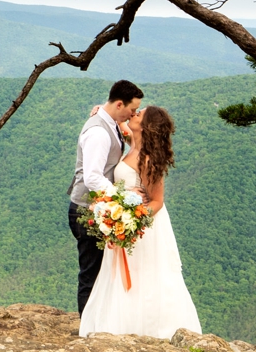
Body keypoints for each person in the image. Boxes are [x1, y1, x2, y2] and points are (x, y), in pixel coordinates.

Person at [78, 105, 203, 338]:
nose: (134, 113)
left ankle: (148, 329)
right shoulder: (133, 141)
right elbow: (120, 121)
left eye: (140, 113)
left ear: (147, 127)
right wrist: (101, 109)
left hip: (143, 227)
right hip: (125, 220)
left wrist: (131, 221)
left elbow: (157, 201)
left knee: (144, 277)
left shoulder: (146, 159)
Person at [68, 80, 143, 313]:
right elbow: (92, 178)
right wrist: (123, 197)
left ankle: (95, 322)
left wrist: (101, 108)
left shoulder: (109, 120)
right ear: (120, 104)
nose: (134, 114)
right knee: (91, 273)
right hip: (85, 210)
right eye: (132, 110)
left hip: (96, 208)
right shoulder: (99, 132)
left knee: (100, 271)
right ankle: (87, 329)